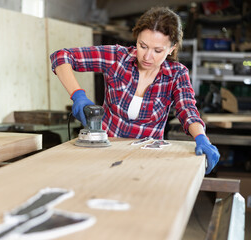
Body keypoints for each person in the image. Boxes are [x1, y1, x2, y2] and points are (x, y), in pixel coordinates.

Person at [50, 7, 219, 174]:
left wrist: (201, 138)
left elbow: (187, 110)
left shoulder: (177, 74)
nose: (147, 56)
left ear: (172, 48)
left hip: (147, 162)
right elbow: (61, 56)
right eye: (142, 46)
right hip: (102, 154)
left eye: (157, 50)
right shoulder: (117, 58)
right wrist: (78, 95)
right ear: (136, 39)